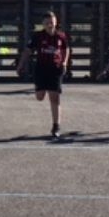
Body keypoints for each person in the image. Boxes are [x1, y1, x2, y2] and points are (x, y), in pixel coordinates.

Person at [16, 11, 70, 140]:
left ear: (56, 22)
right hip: (41, 69)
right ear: (43, 24)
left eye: (52, 22)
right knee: (40, 97)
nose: (50, 25)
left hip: (55, 70)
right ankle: (40, 88)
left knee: (54, 98)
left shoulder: (61, 36)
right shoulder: (38, 36)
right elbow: (28, 50)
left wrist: (64, 62)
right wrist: (20, 64)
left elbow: (66, 49)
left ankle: (56, 126)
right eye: (47, 23)